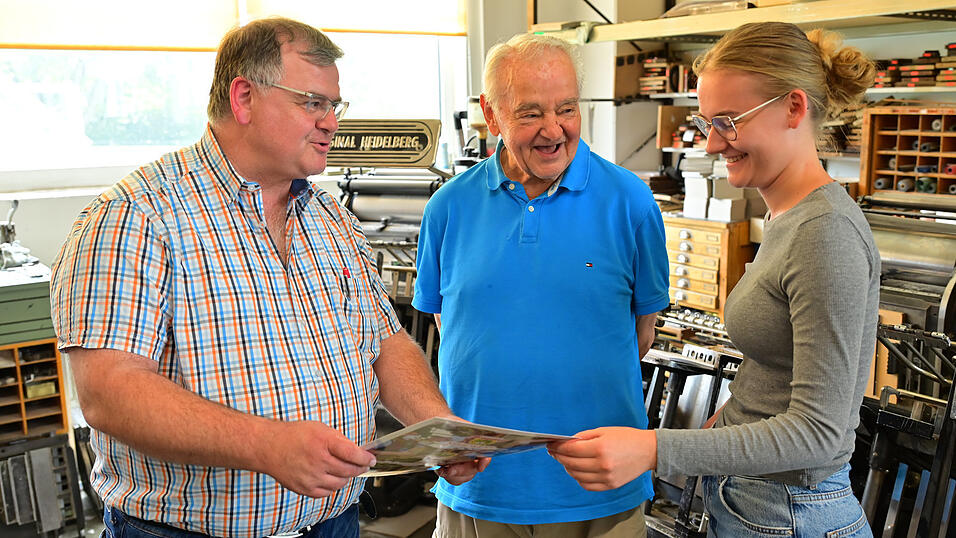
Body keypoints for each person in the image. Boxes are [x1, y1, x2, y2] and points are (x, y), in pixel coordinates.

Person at [50, 17, 484, 538]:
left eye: (334, 106)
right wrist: (267, 445)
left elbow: (386, 342)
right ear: (244, 98)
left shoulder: (329, 218)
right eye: (312, 103)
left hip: (333, 523)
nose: (331, 123)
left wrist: (440, 433)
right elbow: (109, 393)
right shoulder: (135, 218)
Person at [549, 21, 879, 537]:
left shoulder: (825, 233)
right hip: (754, 498)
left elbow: (819, 431)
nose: (712, 143)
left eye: (728, 120)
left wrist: (654, 448)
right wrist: (730, 419)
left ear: (794, 107)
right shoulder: (788, 219)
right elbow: (779, 371)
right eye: (707, 122)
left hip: (789, 512)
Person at [413, 33, 670, 537]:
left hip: (598, 488)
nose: (554, 130)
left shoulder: (632, 203)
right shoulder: (446, 208)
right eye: (530, 113)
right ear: (491, 114)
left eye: (567, 109)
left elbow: (641, 334)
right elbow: (453, 329)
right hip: (480, 487)